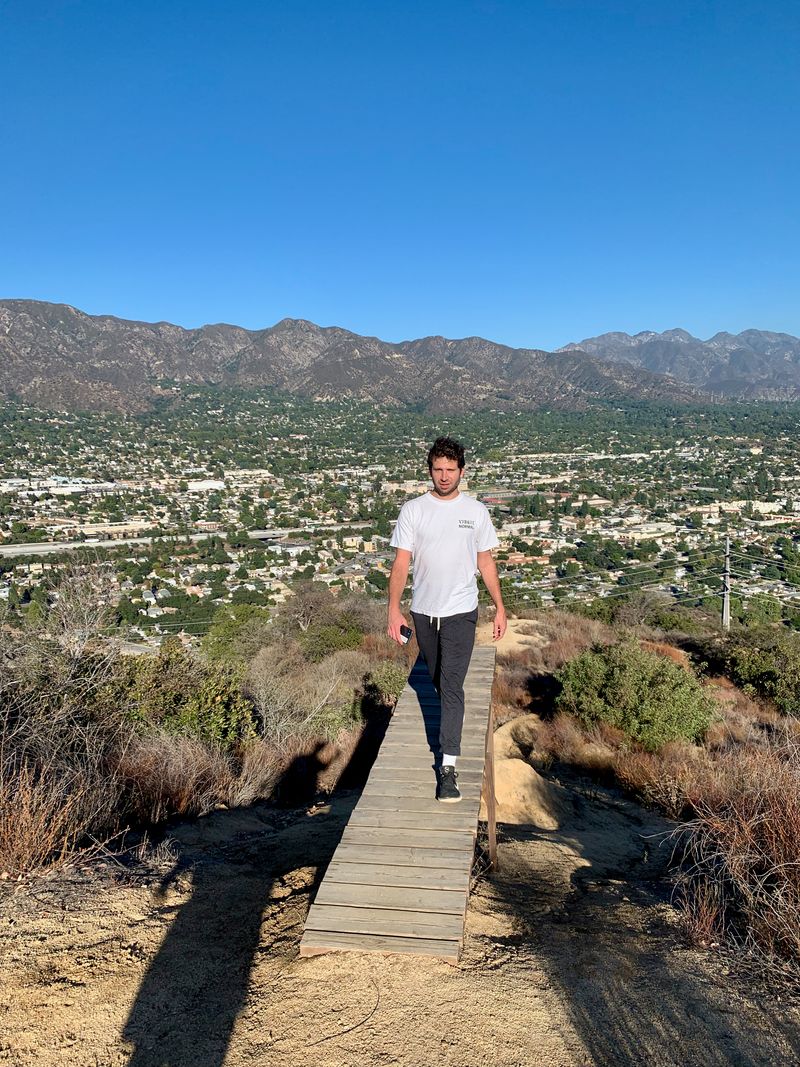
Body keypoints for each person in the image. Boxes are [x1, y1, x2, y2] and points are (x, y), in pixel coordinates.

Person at [387, 435, 507, 802]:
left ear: (462, 471)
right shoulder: (414, 510)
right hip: (425, 611)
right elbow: (401, 562)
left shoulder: (476, 512)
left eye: (450, 470)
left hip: (461, 612)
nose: (443, 476)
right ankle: (449, 739)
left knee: (452, 685)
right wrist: (393, 608)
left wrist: (499, 606)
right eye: (437, 469)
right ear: (430, 471)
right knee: (439, 681)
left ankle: (448, 765)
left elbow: (485, 561)